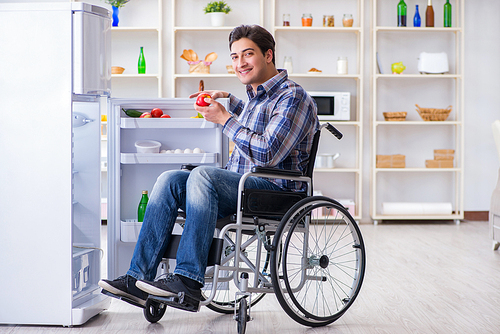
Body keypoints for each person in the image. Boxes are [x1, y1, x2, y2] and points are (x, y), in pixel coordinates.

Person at [98, 24, 319, 307]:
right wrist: (230, 101)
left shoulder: (294, 97)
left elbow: (267, 153)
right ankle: (137, 278)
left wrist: (224, 119)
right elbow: (260, 118)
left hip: (276, 194)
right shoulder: (257, 96)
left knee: (203, 175)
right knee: (170, 178)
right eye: (235, 57)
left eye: (247, 55)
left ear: (268, 54)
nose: (240, 63)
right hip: (242, 188)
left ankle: (188, 281)